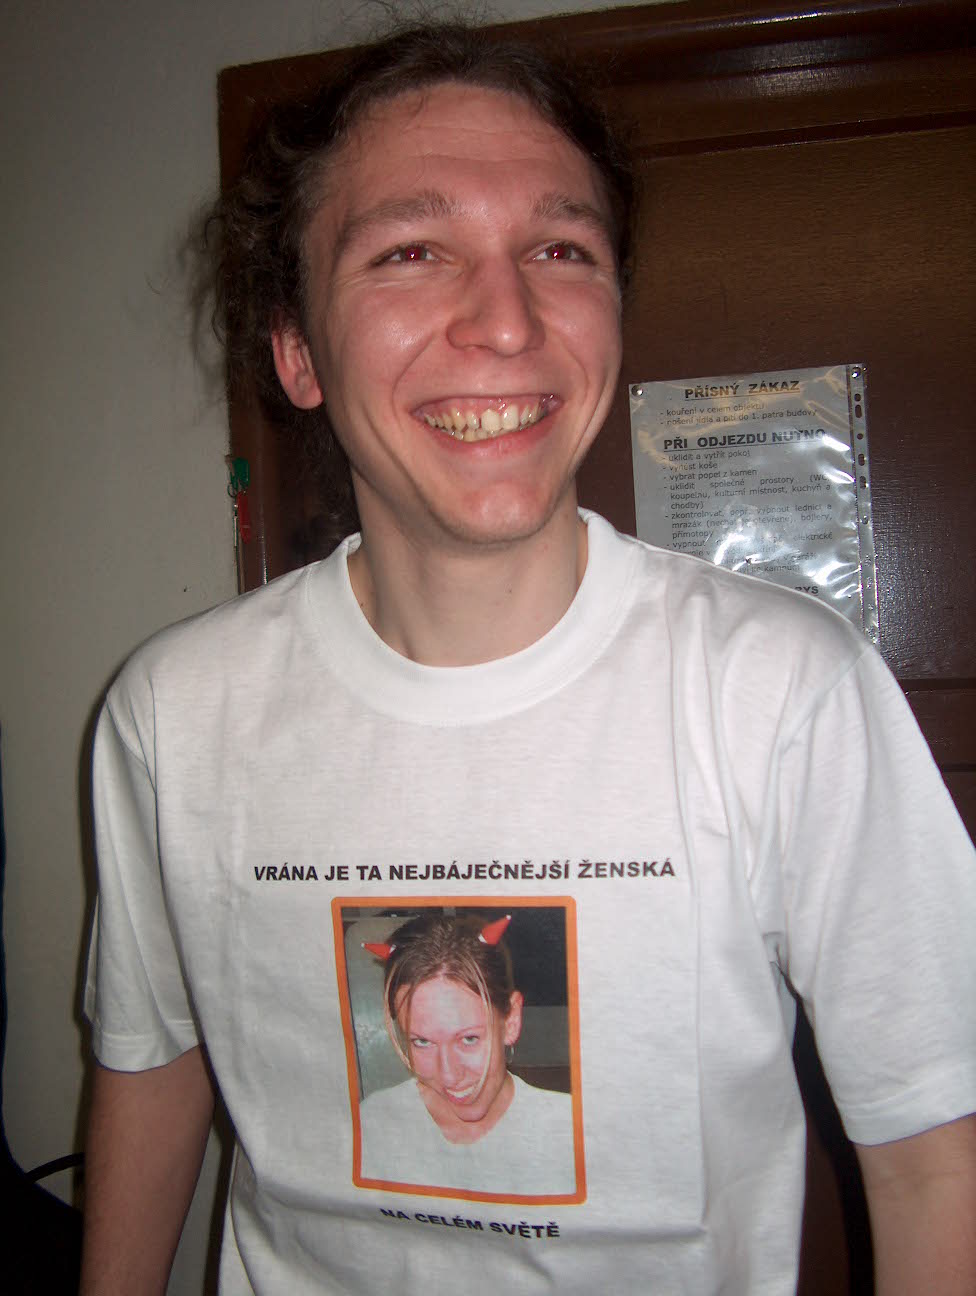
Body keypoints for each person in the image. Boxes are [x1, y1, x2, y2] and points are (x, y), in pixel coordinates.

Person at [79, 20, 976, 1296]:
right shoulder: (174, 713)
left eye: (560, 250)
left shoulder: (783, 690)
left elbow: (936, 1156)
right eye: (410, 251)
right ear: (297, 351)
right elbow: (154, 1057)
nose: (505, 322)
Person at [356, 911, 577, 1196]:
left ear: (511, 1021)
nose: (449, 1075)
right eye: (422, 1042)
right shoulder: (374, 1124)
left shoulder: (569, 1130)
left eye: (469, 1039)